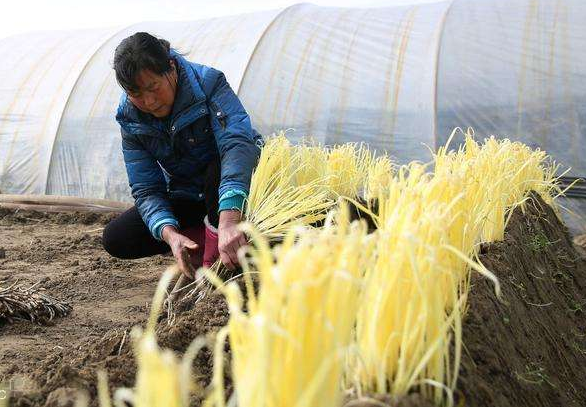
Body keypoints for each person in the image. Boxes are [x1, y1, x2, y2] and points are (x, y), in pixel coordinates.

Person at [102, 32, 262, 279]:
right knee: (117, 237)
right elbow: (146, 189)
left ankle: (220, 251)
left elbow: (237, 145)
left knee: (215, 171)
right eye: (136, 94)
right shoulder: (130, 119)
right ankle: (203, 240)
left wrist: (229, 219)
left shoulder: (209, 83)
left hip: (237, 188)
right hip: (189, 192)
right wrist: (170, 234)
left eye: (153, 87)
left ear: (172, 68)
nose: (149, 101)